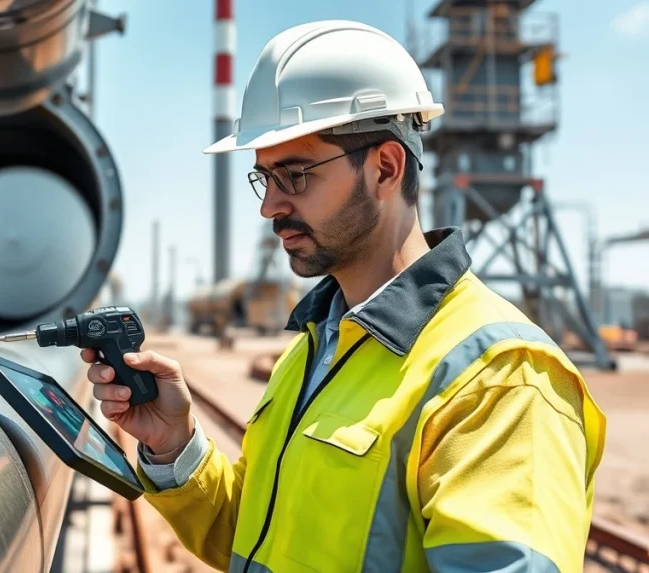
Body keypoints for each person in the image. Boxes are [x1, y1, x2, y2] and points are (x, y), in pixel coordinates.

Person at [81, 19, 607, 573]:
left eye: (295, 175)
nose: (269, 207)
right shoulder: (315, 345)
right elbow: (264, 540)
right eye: (264, 178)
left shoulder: (499, 382)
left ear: (386, 168)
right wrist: (174, 445)